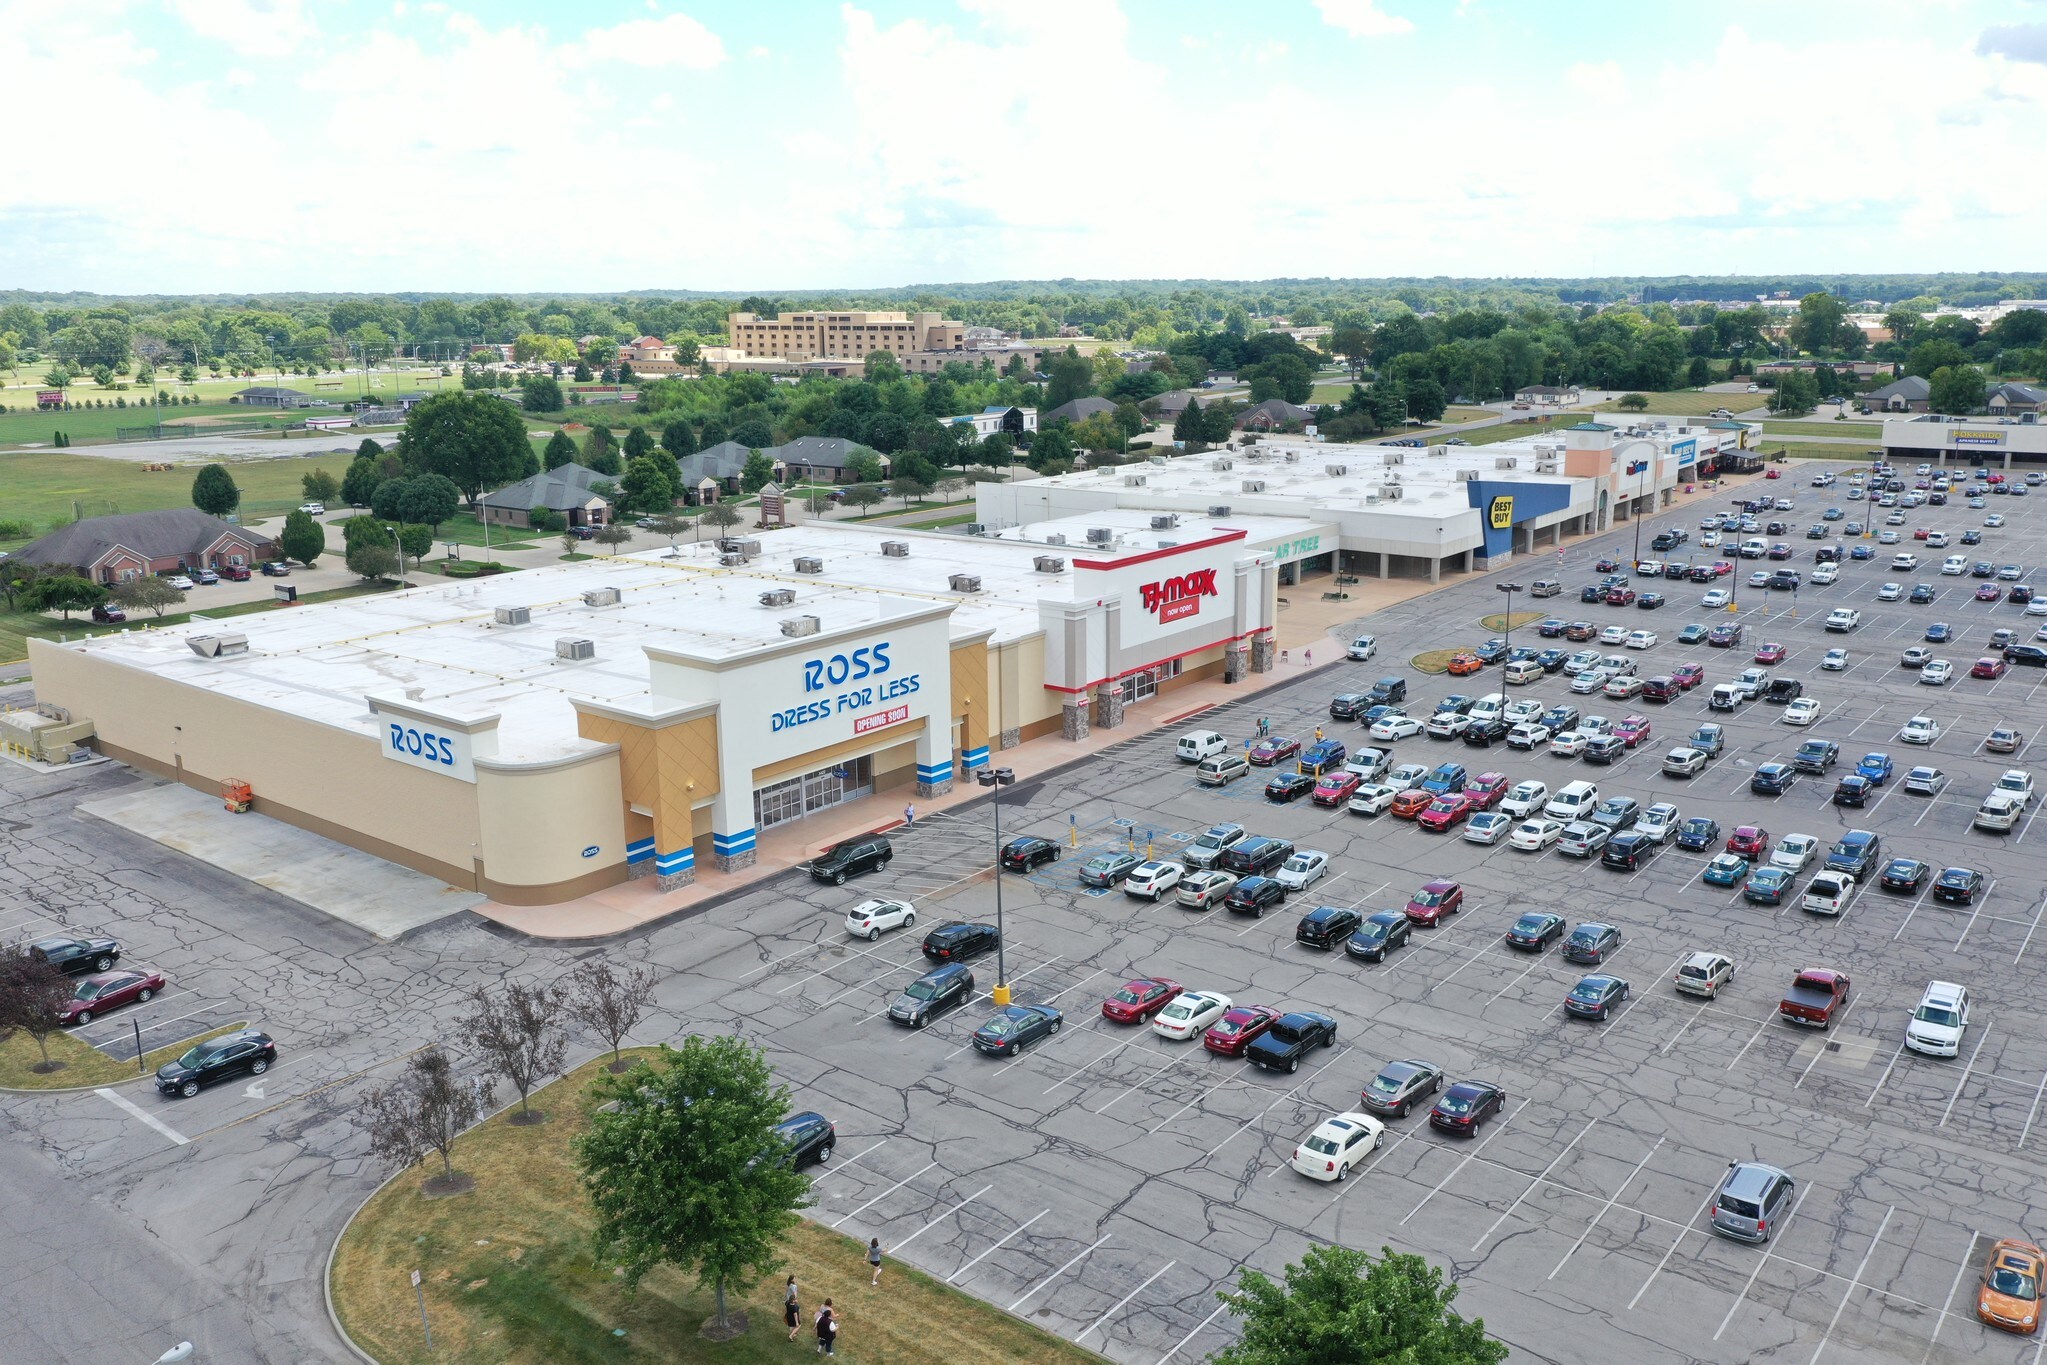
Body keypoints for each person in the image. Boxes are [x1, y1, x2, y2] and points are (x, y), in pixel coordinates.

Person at [785, 1276, 801, 1340]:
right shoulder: (794, 1307)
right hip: (792, 1317)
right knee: (798, 1325)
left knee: (791, 1326)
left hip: (789, 1316)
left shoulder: (787, 1303)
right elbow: (795, 1315)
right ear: (793, 1300)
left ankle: (792, 1334)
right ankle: (791, 1335)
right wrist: (797, 1322)